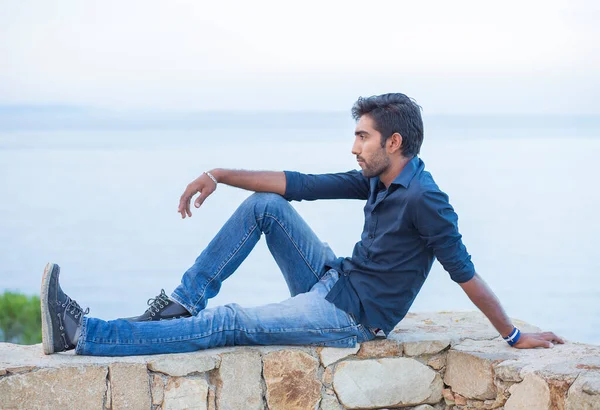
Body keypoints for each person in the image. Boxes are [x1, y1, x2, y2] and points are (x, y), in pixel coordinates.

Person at [40, 93, 564, 356]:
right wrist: (218, 173)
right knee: (265, 208)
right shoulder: (380, 179)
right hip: (335, 280)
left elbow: (464, 273)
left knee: (232, 322)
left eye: (362, 137)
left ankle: (84, 334)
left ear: (394, 143)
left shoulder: (427, 200)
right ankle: (180, 303)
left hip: (352, 319)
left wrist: (514, 335)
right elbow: (301, 184)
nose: (354, 147)